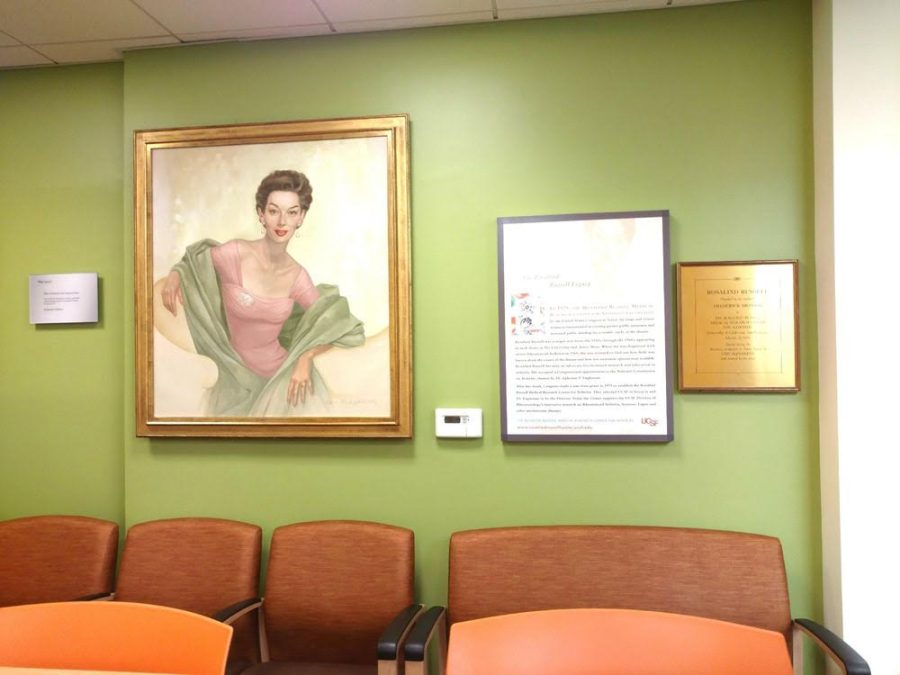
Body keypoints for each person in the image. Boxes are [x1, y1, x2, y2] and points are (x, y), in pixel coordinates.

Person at [157, 169, 364, 416]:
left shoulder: (298, 277)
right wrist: (176, 274)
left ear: (301, 217)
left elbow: (333, 323)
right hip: (234, 381)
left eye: (292, 212)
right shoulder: (235, 254)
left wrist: (305, 358)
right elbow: (195, 261)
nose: (282, 221)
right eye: (274, 211)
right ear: (261, 214)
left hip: (282, 382)